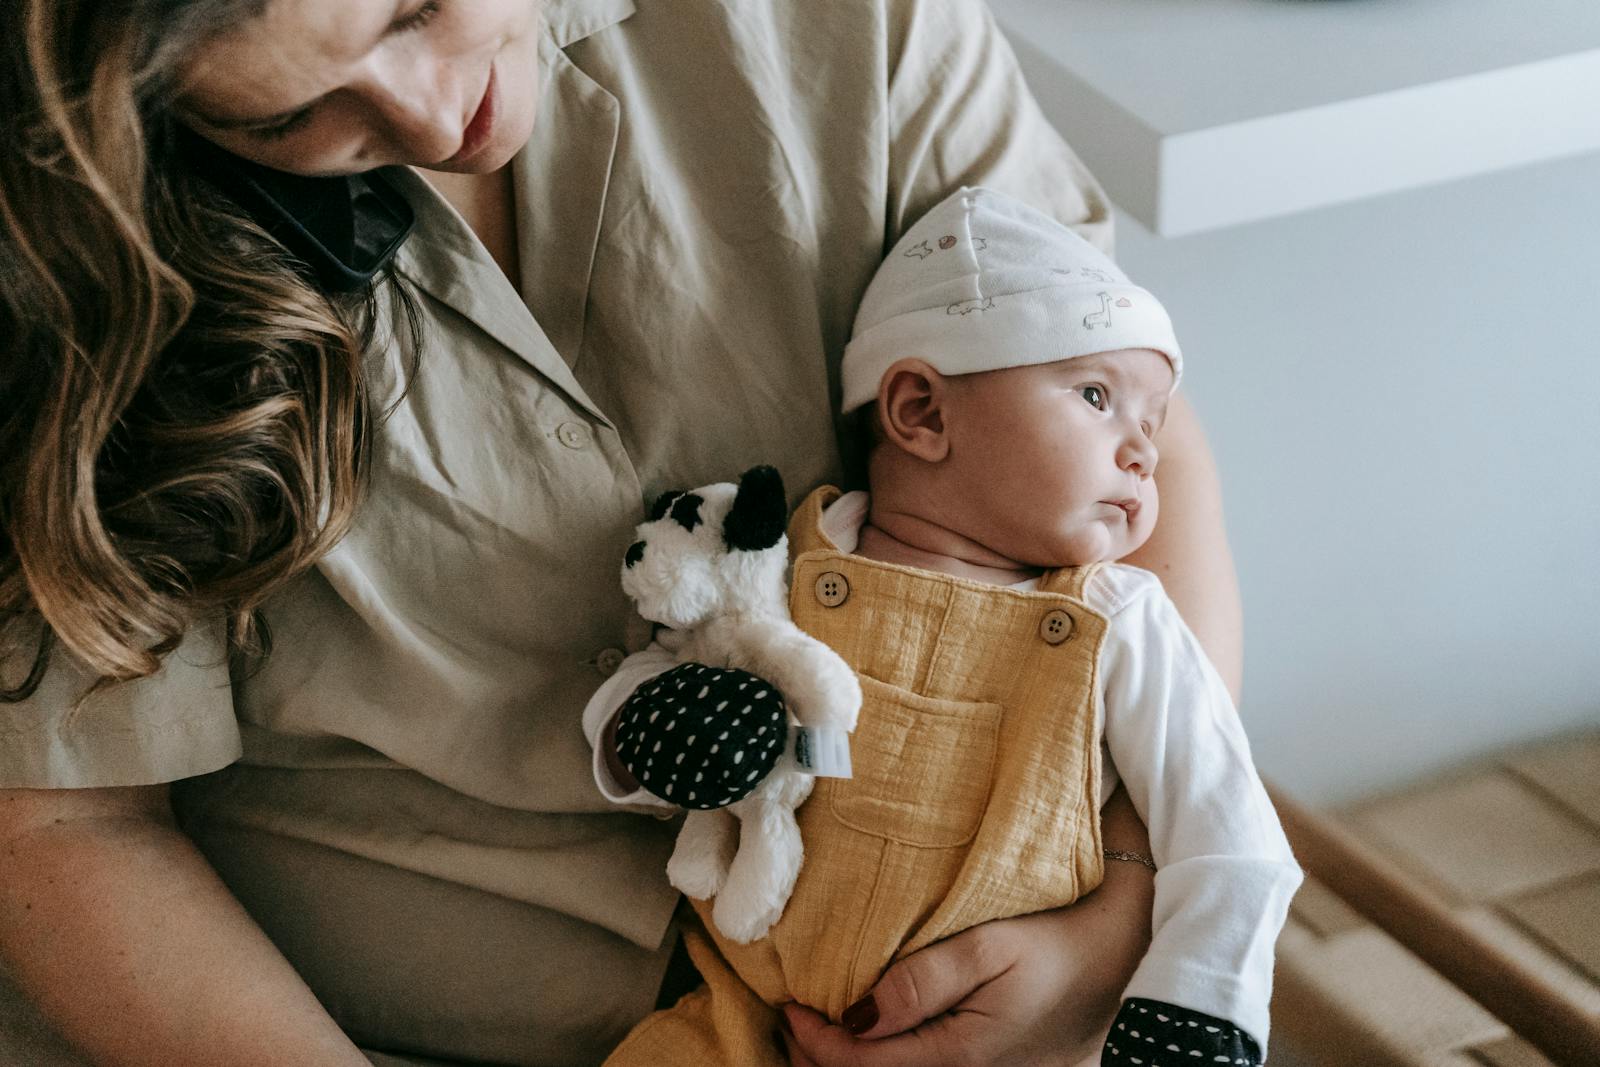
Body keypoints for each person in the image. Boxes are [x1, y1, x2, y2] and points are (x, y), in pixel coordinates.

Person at [0, 2, 1245, 1065]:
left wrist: (1126, 904)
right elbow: (66, 821)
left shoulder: (848, 26)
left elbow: (1134, 428)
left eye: (423, 8)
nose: (437, 122)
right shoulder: (58, 237)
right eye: (284, 117)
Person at [585, 188, 1302, 1067]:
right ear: (920, 410)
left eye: (1151, 424)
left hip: (1015, 1040)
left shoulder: (1117, 621)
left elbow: (1227, 826)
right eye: (1094, 395)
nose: (1144, 452)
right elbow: (660, 667)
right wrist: (647, 733)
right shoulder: (782, 559)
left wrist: (1198, 1007)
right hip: (746, 1015)